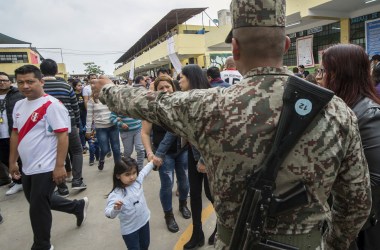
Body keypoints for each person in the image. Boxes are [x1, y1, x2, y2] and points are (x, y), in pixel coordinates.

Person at [92, 0, 371, 249]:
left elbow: (149, 103)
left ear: (234, 48)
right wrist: (329, 243)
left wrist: (107, 89)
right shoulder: (337, 111)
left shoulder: (206, 106)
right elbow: (357, 204)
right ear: (286, 45)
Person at [9, 65, 89, 250]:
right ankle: (76, 207)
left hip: (46, 166)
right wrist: (12, 161)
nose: (25, 86)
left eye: (30, 81)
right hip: (27, 165)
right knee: (37, 200)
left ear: (41, 81)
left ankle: (42, 245)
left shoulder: (52, 105)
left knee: (37, 207)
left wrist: (60, 166)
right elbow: (15, 134)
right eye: (21, 82)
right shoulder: (20, 105)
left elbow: (63, 136)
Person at [320, 44, 380, 250]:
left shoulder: (369, 114)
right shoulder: (341, 108)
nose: (321, 77)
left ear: (338, 73)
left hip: (361, 229)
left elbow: (375, 180)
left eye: (324, 71)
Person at [141, 76, 191, 233]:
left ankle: (183, 205)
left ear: (173, 88)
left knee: (184, 183)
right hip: (163, 155)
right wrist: (150, 153)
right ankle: (168, 215)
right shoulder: (151, 109)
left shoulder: (180, 104)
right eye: (161, 88)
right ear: (155, 91)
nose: (165, 90)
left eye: (167, 87)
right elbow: (144, 132)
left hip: (182, 151)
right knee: (167, 185)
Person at [178, 65, 218, 248]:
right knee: (194, 194)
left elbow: (211, 133)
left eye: (181, 78)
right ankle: (197, 234)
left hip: (208, 157)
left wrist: (203, 160)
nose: (178, 81)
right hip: (191, 153)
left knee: (212, 194)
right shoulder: (185, 99)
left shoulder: (207, 98)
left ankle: (220, 228)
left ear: (191, 78)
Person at [40, 59, 87, 194]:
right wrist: (78, 124)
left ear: (41, 71)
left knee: (56, 154)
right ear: (56, 71)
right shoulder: (66, 87)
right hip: (68, 125)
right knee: (77, 151)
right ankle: (77, 181)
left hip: (48, 129)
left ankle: (62, 188)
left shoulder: (40, 87)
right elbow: (75, 108)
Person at [105, 157, 154, 250]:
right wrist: (115, 209)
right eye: (127, 174)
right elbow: (108, 213)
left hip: (144, 222)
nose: (132, 177)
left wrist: (152, 162)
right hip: (130, 231)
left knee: (145, 245)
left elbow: (144, 171)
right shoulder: (115, 194)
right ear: (118, 176)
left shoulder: (137, 181)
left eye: (134, 173)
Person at [0, 72, 24, 195]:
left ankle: (22, 181)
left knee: (19, 158)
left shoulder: (18, 95)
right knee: (4, 158)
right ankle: (18, 181)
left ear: (10, 82)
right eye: (0, 81)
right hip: (1, 135)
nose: (2, 83)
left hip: (14, 133)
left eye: (4, 80)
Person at [86, 91, 121, 170]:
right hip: (101, 128)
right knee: (105, 149)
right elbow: (89, 117)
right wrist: (88, 130)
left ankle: (118, 169)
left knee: (116, 148)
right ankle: (102, 159)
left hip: (113, 126)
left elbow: (117, 109)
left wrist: (119, 118)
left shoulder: (110, 98)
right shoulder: (91, 101)